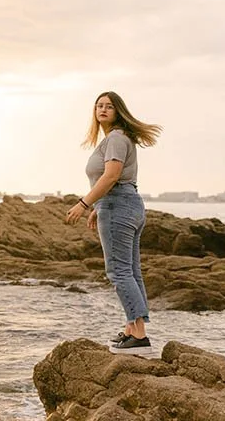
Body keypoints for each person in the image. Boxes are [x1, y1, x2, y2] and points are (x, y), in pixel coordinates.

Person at [64, 91, 162, 354]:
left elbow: (111, 176)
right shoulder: (115, 139)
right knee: (130, 270)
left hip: (119, 204)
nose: (103, 109)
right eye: (99, 106)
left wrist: (83, 204)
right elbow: (114, 181)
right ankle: (132, 329)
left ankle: (139, 337)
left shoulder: (116, 138)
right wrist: (98, 207)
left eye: (109, 106)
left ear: (118, 111)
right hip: (124, 203)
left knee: (118, 271)